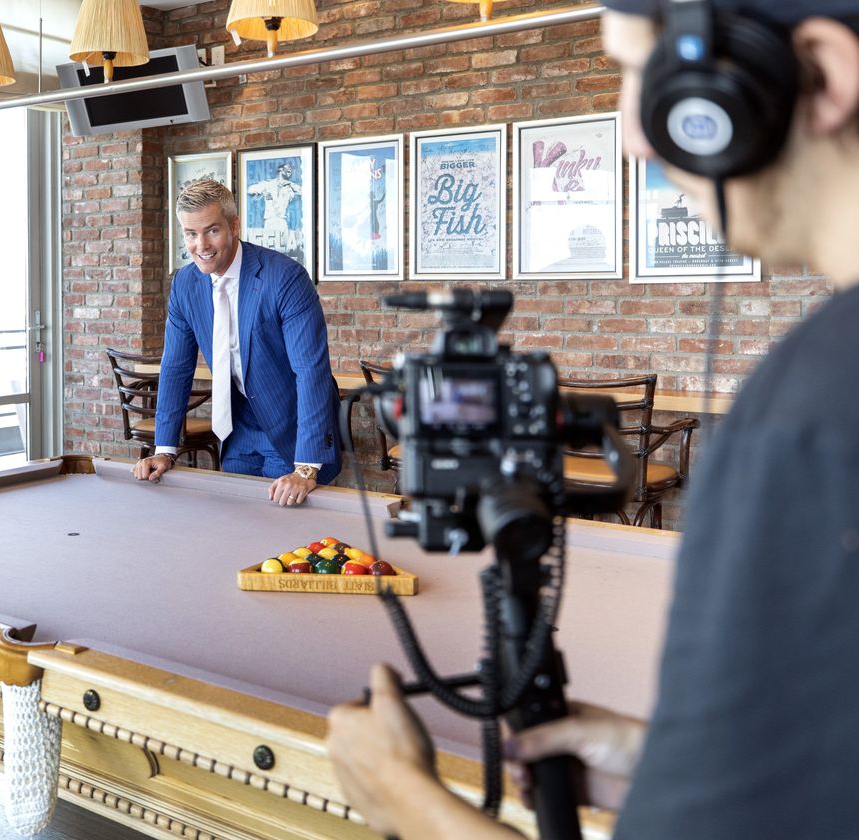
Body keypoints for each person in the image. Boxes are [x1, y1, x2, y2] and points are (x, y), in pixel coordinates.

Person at [327, 1, 859, 838]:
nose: (632, 137)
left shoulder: (812, 413)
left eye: (642, 78)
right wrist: (677, 755)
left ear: (821, 75)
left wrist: (403, 799)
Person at [132, 179, 341, 506]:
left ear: (234, 225)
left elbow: (311, 372)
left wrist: (306, 467)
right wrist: (165, 450)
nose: (201, 245)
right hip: (236, 431)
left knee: (286, 541)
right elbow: (175, 368)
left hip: (292, 430)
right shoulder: (185, 284)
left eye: (211, 230)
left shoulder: (285, 278)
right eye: (190, 234)